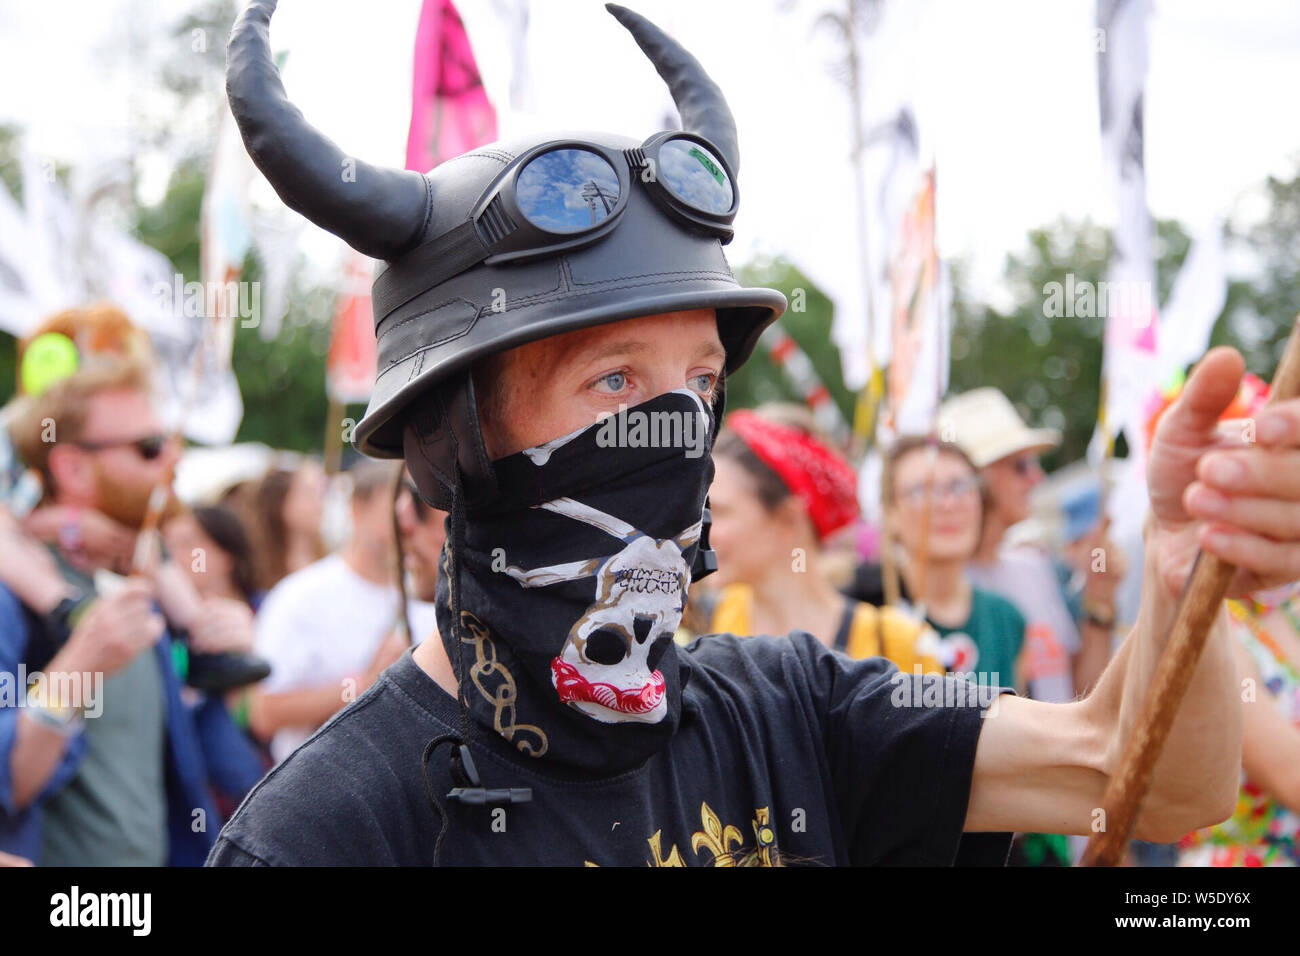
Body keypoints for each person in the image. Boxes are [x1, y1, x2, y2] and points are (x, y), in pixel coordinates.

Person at [210, 1, 1295, 866]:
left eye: (700, 379)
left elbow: (1150, 777)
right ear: (453, 441)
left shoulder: (792, 705)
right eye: (615, 378)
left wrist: (1178, 556)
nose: (676, 428)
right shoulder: (325, 830)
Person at [3, 306, 265, 864]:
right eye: (149, 446)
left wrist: (220, 650)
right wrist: (74, 670)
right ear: (72, 469)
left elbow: (216, 762)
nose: (171, 459)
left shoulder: (137, 585)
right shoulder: (15, 596)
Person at [705, 407, 941, 671]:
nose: (702, 529)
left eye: (720, 512)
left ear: (788, 519)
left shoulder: (899, 643)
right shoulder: (709, 625)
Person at [246, 460, 438, 763]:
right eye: (395, 501)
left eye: (417, 503)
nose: (406, 517)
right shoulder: (301, 595)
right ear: (356, 507)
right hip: (318, 790)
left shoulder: (428, 595)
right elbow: (264, 713)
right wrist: (365, 685)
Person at [936, 388, 1115, 700]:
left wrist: (1099, 594)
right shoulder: (940, 584)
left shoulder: (1034, 568)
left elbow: (1084, 698)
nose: (1037, 478)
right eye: (1020, 465)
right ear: (976, 476)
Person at [878, 436, 1026, 692]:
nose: (948, 504)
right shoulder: (863, 613)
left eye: (960, 487)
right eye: (923, 490)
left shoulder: (1006, 618)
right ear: (889, 513)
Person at [245, 460, 327, 593]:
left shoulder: (331, 563)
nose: (318, 504)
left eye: (321, 493)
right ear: (280, 501)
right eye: (308, 493)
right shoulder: (253, 568)